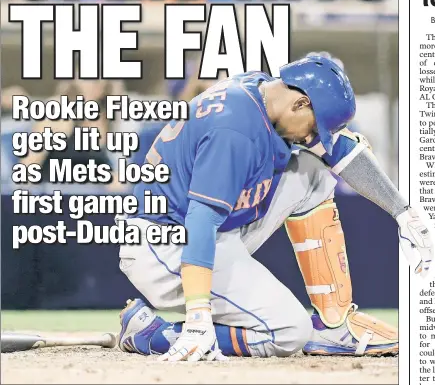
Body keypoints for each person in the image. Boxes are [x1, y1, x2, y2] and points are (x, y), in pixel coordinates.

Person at [116, 55, 432, 361]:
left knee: (314, 172)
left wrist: (402, 212)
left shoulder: (266, 92)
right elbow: (201, 220)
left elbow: (340, 149)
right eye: (314, 127)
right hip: (164, 243)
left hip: (206, 229)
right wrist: (199, 315)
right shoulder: (236, 128)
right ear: (300, 104)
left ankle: (332, 324)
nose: (312, 136)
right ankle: (158, 335)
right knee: (288, 332)